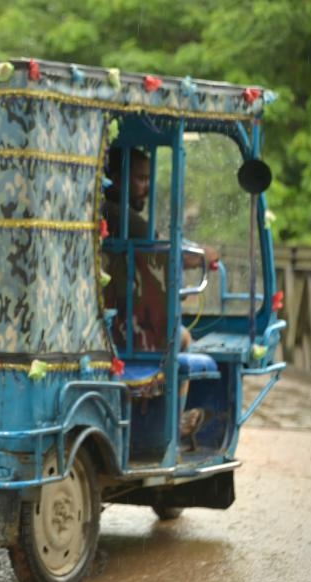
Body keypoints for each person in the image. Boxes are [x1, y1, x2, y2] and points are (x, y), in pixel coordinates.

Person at [102, 147, 214, 441]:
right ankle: (172, 424)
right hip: (123, 327)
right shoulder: (123, 218)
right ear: (114, 179)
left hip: (108, 318)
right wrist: (204, 257)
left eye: (148, 178)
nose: (147, 186)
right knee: (184, 338)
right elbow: (167, 255)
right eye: (140, 178)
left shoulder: (100, 211)